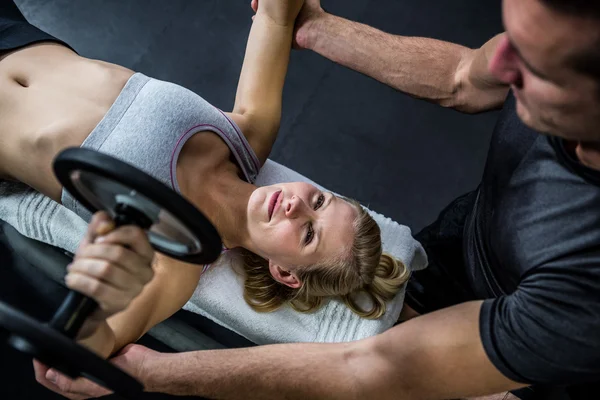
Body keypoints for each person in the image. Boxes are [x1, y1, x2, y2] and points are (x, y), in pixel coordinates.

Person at [39, 0, 600, 398]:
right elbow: (464, 76)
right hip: (464, 246)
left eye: (533, 68)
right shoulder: (247, 139)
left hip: (532, 348)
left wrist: (147, 372)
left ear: (284, 270)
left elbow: (369, 369)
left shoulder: (581, 293)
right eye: (322, 202)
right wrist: (316, 28)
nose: (505, 65)